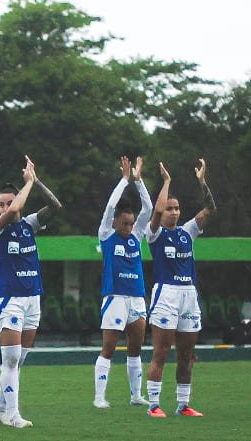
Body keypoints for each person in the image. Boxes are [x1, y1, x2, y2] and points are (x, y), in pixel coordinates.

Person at [0, 156, 63, 427]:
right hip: (10, 300)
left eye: (9, 202)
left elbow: (55, 206)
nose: (5, 207)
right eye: (1, 204)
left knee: (18, 362)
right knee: (11, 358)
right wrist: (26, 185)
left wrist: (36, 181)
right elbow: (12, 212)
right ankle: (14, 414)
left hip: (33, 300)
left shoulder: (29, 224)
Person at [145, 160, 215, 417]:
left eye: (177, 209)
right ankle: (154, 405)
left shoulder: (188, 232)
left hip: (189, 296)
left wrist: (202, 182)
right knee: (161, 352)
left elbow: (210, 209)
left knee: (186, 354)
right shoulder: (154, 234)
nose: (173, 212)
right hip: (166, 294)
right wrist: (166, 183)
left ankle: (183, 404)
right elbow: (155, 213)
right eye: (169, 209)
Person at [92, 156, 153, 410]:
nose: (129, 227)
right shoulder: (107, 236)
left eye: (131, 223)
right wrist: (124, 180)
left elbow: (148, 209)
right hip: (115, 297)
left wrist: (138, 182)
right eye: (124, 223)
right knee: (108, 347)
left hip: (137, 297)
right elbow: (109, 207)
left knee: (136, 348)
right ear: (115, 222)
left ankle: (135, 395)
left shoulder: (136, 237)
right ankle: (99, 397)